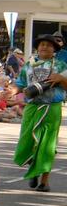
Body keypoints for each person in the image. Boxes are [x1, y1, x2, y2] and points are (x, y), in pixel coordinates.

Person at [12, 34, 66, 192]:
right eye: (42, 44)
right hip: (31, 108)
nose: (45, 47)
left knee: (47, 145)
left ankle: (44, 181)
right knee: (27, 142)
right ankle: (33, 168)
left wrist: (61, 79)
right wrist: (11, 91)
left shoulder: (61, 66)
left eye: (49, 45)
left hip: (51, 108)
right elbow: (20, 84)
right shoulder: (29, 65)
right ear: (37, 47)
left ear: (54, 49)